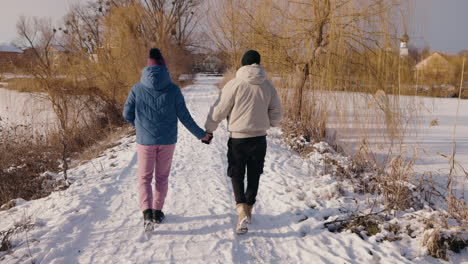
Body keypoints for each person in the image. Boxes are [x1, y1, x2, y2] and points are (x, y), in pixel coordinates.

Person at [123, 48, 212, 231]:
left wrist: (140, 127)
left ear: (147, 67)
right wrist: (202, 135)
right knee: (161, 177)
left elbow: (126, 114)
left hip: (145, 141)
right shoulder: (173, 89)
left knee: (144, 178)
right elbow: (185, 117)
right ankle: (157, 212)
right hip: (167, 141)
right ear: (164, 67)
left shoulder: (137, 89)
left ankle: (146, 212)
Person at [205, 50, 283, 234]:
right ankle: (249, 208)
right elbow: (277, 112)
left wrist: (209, 128)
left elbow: (220, 110)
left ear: (243, 64)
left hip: (238, 138)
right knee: (255, 173)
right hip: (259, 138)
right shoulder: (268, 86)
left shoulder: (234, 84)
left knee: (237, 173)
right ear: (258, 63)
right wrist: (271, 123)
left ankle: (241, 209)